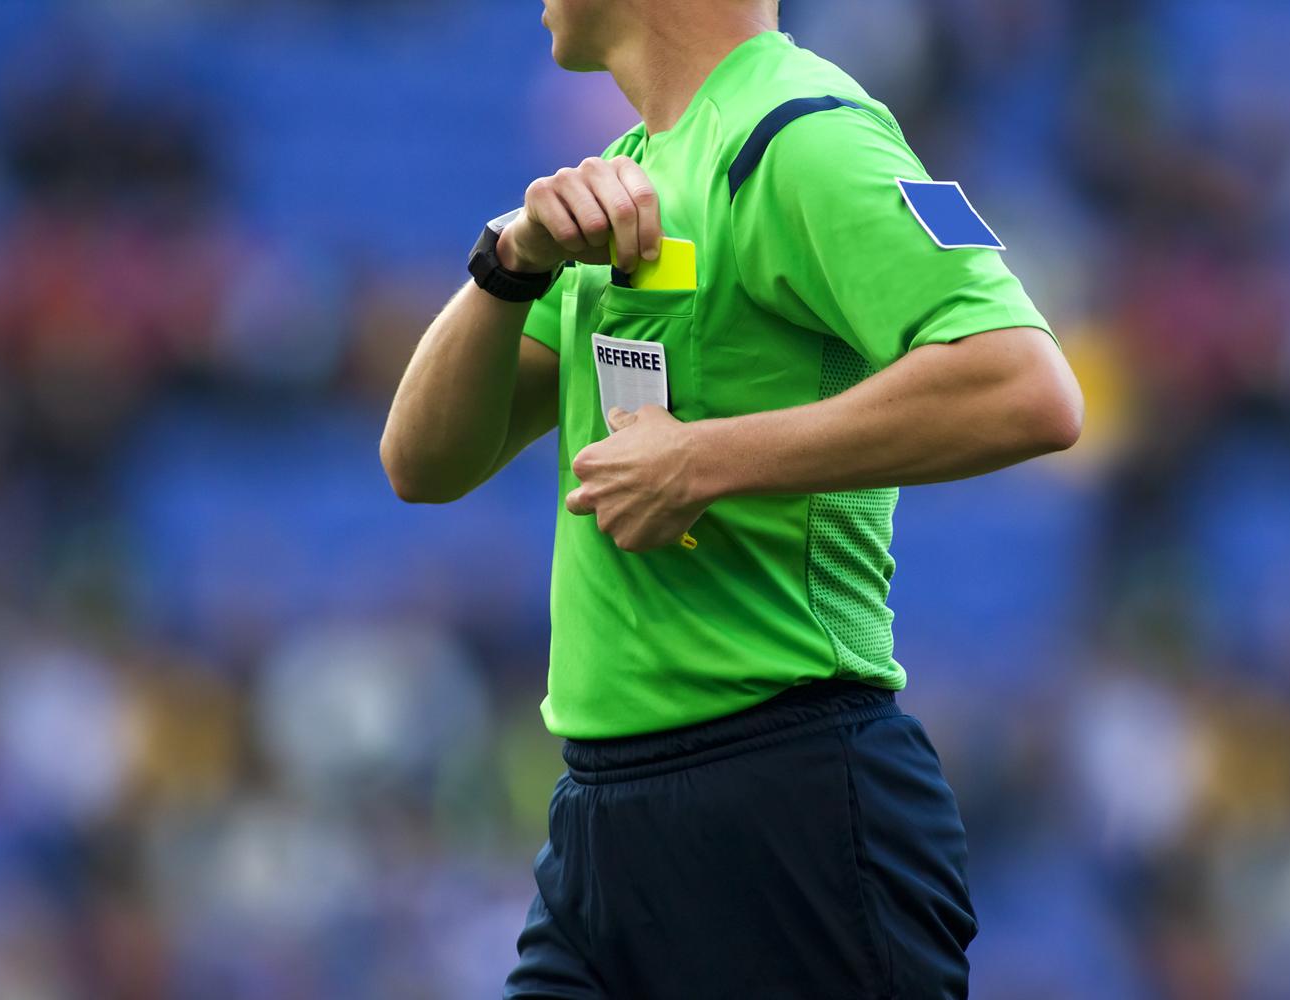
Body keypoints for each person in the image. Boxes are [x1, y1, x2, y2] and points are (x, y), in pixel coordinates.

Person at [380, 1, 1083, 996]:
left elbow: (1025, 387)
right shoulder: (624, 177)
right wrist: (508, 263)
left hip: (784, 809)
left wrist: (703, 461)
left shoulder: (802, 135)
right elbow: (423, 463)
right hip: (603, 822)